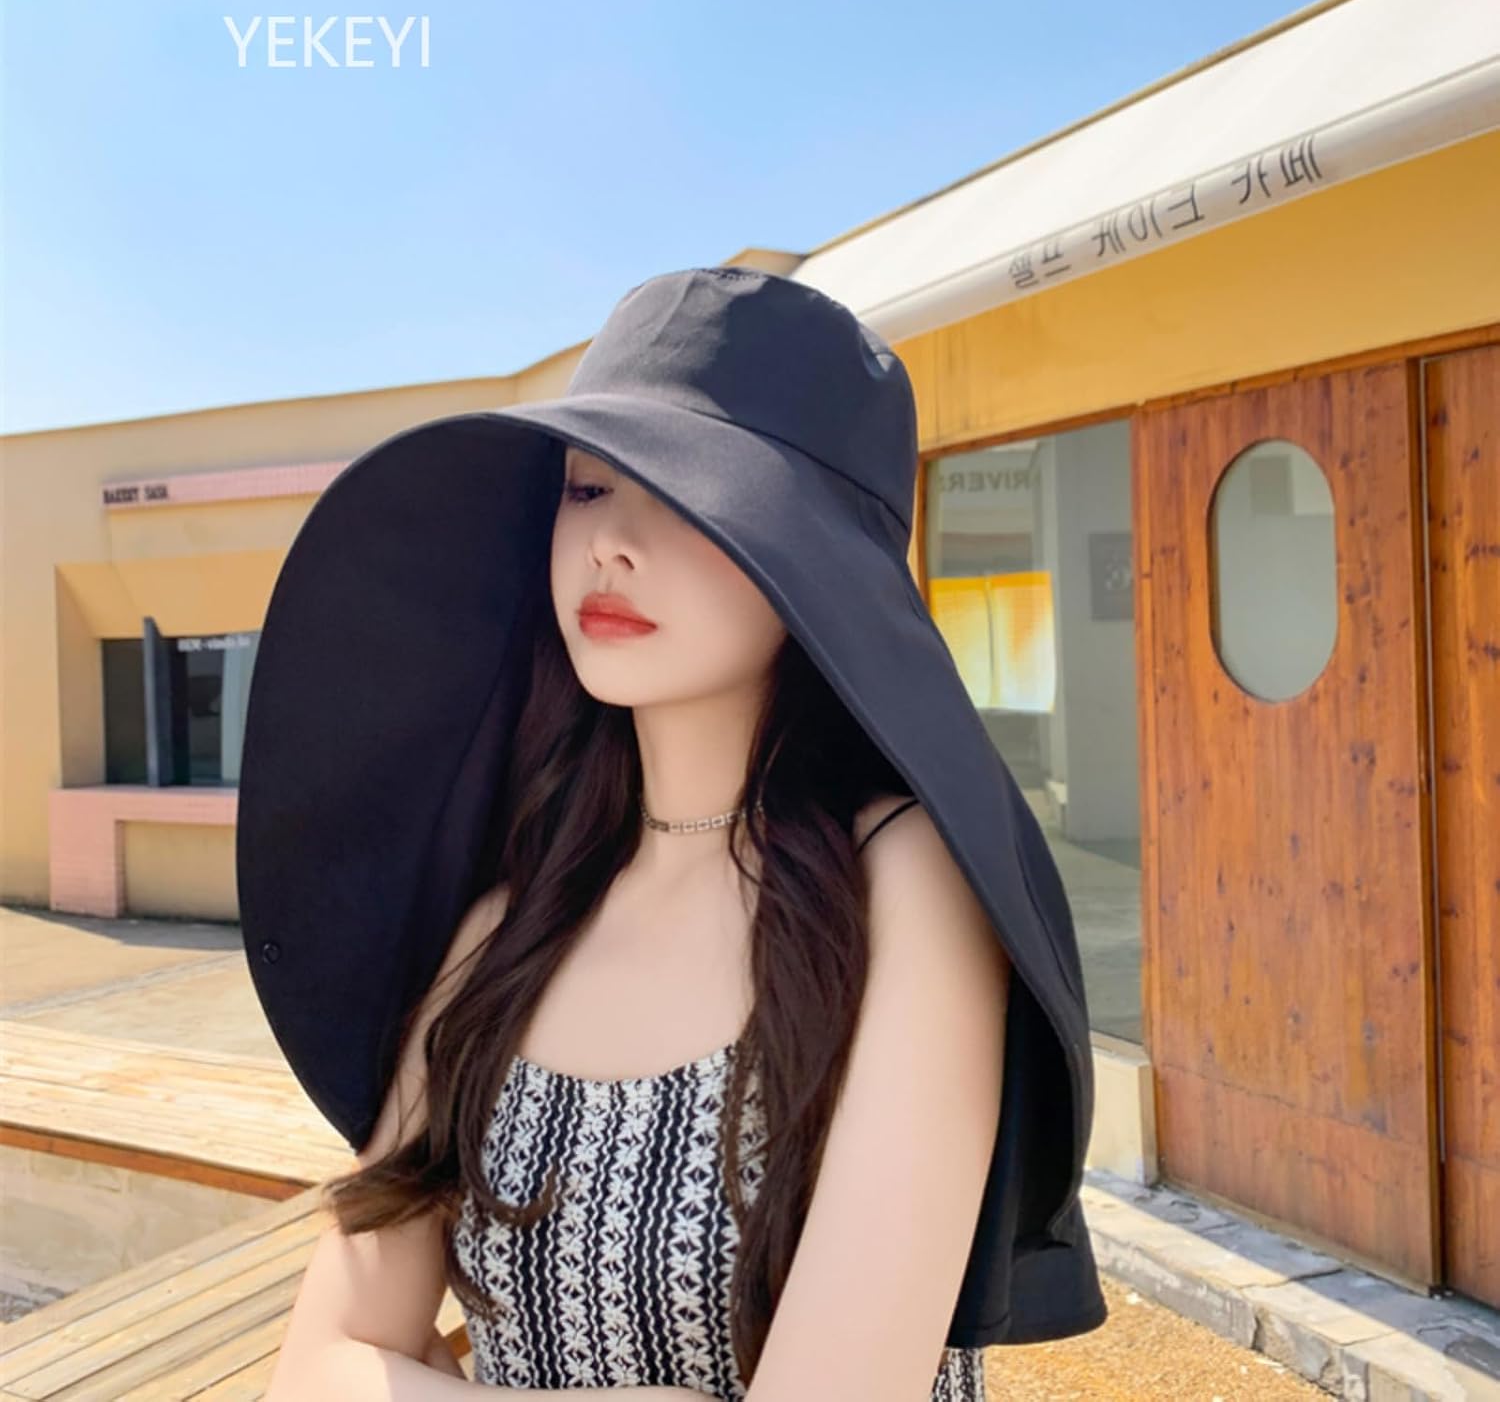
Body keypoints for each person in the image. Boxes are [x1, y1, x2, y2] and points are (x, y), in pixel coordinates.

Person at [237, 266, 1107, 1400]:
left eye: (688, 494)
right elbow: (313, 1370)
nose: (611, 541)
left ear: (819, 564)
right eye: (588, 487)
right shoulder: (507, 929)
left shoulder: (900, 886)